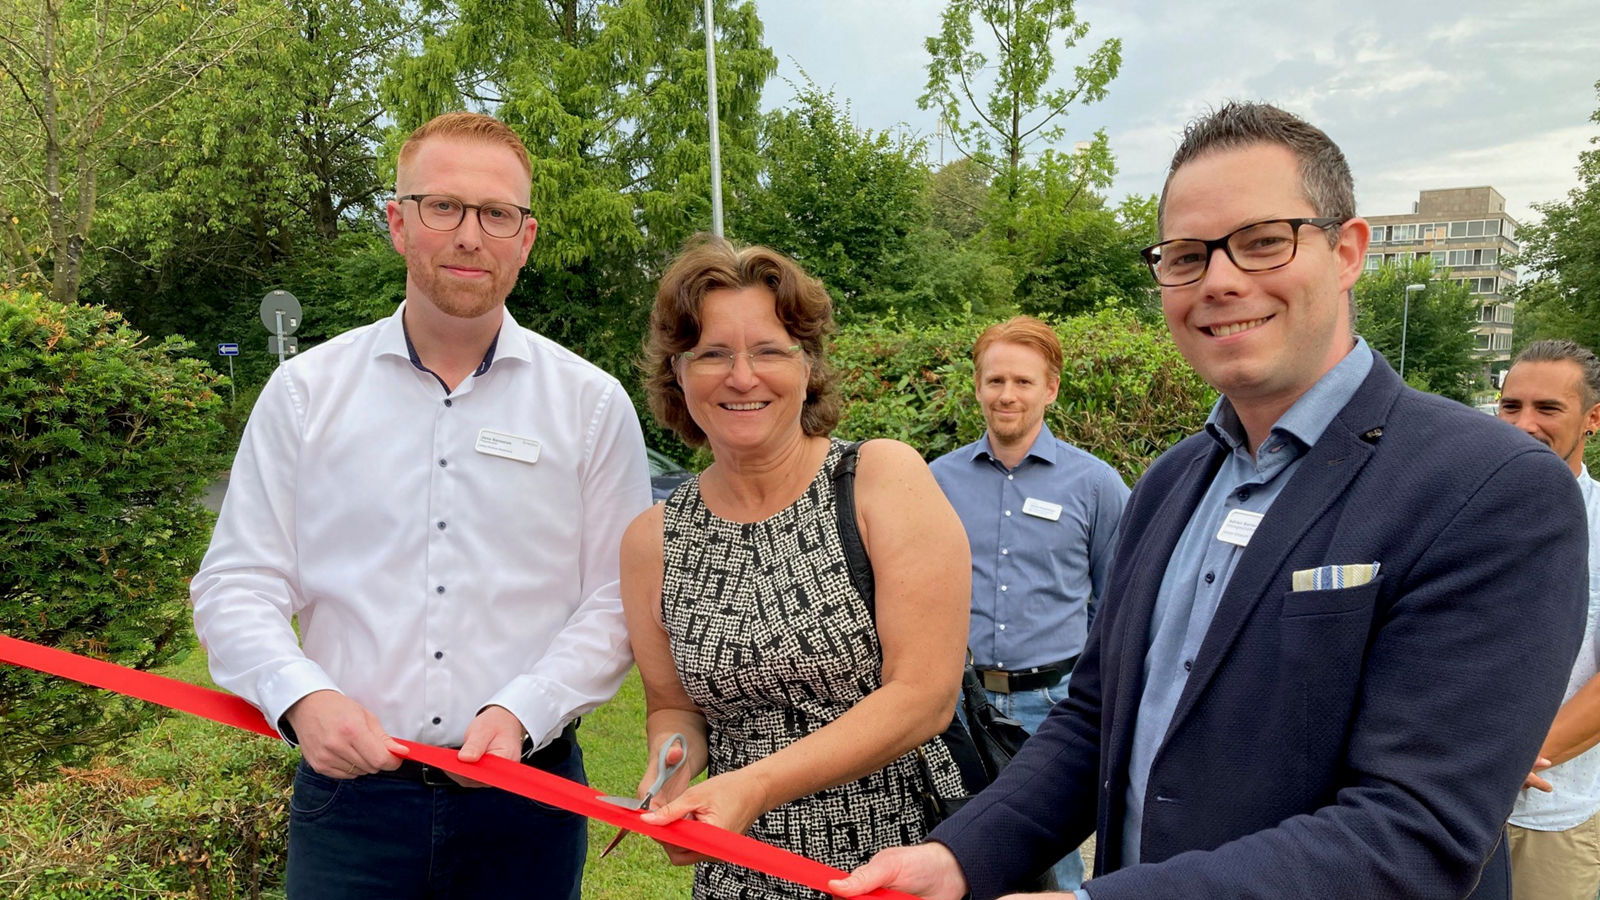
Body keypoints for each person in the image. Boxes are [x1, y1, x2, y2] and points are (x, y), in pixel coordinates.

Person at [833, 101, 1588, 900]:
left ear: (1347, 252)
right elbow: (1094, 722)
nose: (1221, 281)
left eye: (1264, 242)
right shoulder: (1169, 483)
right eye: (1186, 256)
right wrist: (958, 857)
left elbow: (1415, 830)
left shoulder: (1490, 490)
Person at [191, 112, 650, 899]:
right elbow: (236, 583)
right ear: (398, 223)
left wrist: (524, 710)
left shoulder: (592, 406)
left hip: (527, 804)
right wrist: (301, 696)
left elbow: (619, 600)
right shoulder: (304, 396)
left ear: (525, 238)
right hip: (351, 809)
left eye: (496, 214)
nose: (470, 235)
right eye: (444, 207)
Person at [618, 236, 974, 900]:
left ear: (806, 365)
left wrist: (754, 785)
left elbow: (924, 696)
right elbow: (673, 707)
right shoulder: (653, 540)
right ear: (678, 373)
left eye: (769, 351)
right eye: (714, 353)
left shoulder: (878, 479)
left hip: (892, 863)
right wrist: (669, 763)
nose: (742, 376)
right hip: (736, 872)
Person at [928, 315, 1129, 891]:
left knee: (1051, 865)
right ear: (977, 386)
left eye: (1022, 382)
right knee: (953, 849)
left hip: (1053, 708)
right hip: (955, 706)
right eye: (995, 381)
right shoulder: (935, 481)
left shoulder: (1096, 486)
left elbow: (1116, 603)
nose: (1007, 395)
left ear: (1051, 389)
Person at [1499, 340, 1600, 900]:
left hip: (1545, 816)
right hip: (1432, 806)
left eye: (1548, 409)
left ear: (1593, 420)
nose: (1523, 425)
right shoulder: (1458, 514)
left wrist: (1503, 762)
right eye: (1511, 407)